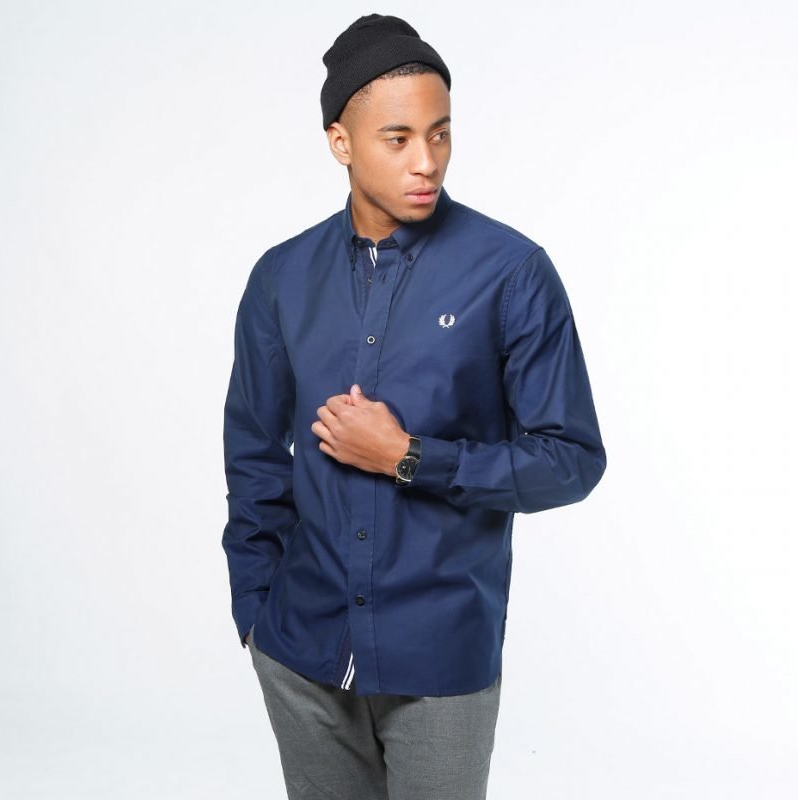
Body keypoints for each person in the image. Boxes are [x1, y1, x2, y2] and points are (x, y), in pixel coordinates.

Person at [221, 12, 606, 800]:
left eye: (441, 134)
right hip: (302, 649)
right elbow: (253, 453)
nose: (426, 160)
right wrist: (257, 612)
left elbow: (571, 459)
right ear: (341, 142)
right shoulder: (281, 278)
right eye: (397, 139)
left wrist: (409, 457)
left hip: (441, 656)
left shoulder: (511, 273)